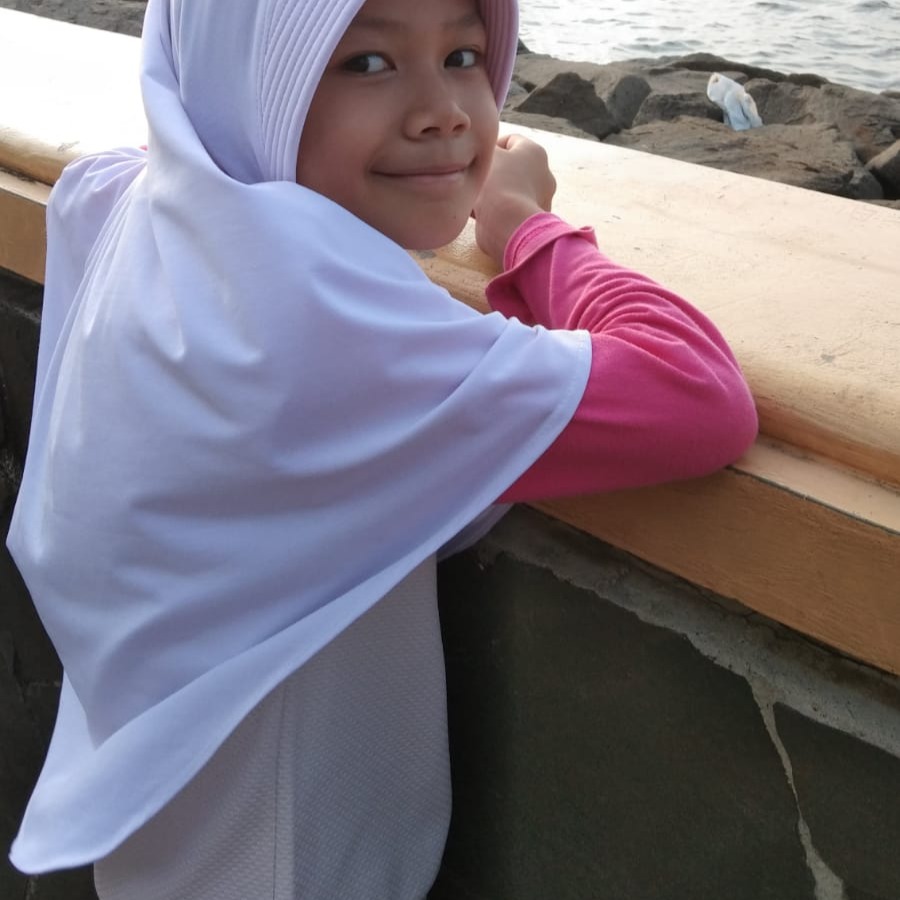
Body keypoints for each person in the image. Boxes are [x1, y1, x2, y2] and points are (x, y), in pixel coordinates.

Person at [6, 0, 757, 896]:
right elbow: (697, 391)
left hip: (169, 840)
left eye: (464, 54)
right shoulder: (315, 325)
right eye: (366, 63)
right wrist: (525, 225)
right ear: (248, 86)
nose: (443, 112)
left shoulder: (127, 206)